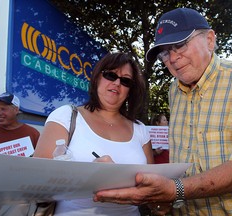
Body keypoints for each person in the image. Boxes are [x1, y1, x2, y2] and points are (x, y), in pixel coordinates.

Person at [93, 8, 232, 215]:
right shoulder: (174, 90)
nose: (172, 58)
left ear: (210, 40)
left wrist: (175, 190)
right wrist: (164, 200)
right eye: (165, 52)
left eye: (180, 44)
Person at [33, 52, 154, 216]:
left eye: (125, 80)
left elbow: (153, 187)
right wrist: (92, 177)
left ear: (130, 91)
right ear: (97, 78)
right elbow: (35, 182)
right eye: (110, 75)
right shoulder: (66, 116)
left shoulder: (140, 130)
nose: (117, 83)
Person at [0, 92, 40, 216]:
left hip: (20, 207)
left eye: (3, 109)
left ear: (16, 110)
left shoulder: (32, 134)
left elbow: (42, 166)